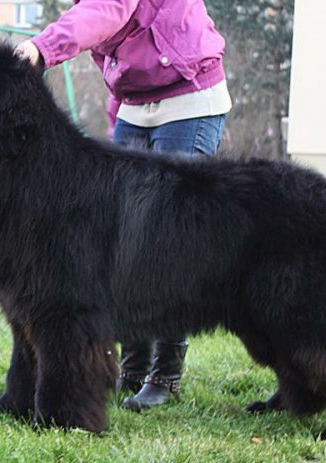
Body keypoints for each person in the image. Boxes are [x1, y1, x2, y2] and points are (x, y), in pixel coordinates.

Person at [15, 0, 231, 412]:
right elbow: (116, 53)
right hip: (136, 104)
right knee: (123, 244)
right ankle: (132, 368)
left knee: (168, 243)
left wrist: (43, 47)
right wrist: (118, 125)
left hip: (189, 97)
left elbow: (107, 10)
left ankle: (165, 374)